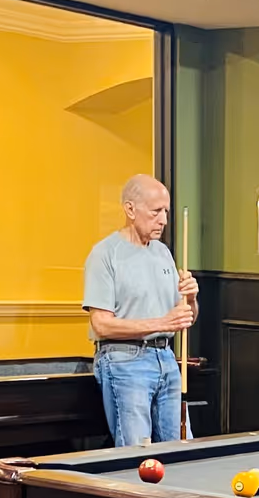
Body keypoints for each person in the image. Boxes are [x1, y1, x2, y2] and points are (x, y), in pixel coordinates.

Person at [84, 174, 199, 446]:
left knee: (182, 447)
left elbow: (184, 318)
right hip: (125, 361)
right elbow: (102, 324)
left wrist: (192, 299)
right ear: (130, 209)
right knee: (137, 450)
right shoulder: (105, 254)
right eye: (156, 211)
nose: (164, 220)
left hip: (167, 359)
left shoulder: (162, 253)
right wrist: (163, 323)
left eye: (166, 212)